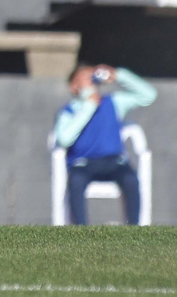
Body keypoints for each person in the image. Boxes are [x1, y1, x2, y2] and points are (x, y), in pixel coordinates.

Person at [54, 63, 157, 226]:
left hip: (114, 162)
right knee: (76, 181)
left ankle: (133, 228)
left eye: (91, 76)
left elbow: (148, 95)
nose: (90, 81)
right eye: (84, 78)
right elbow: (64, 139)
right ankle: (80, 230)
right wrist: (88, 107)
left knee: (130, 179)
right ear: (74, 86)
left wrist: (119, 75)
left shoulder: (113, 102)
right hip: (82, 164)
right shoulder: (69, 111)